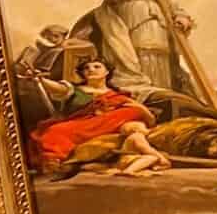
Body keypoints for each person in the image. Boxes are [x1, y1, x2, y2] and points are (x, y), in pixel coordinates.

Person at [73, 0, 205, 99]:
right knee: (140, 59)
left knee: (160, 58)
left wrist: (181, 16)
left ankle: (163, 98)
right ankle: (147, 100)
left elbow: (170, 5)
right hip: (131, 30)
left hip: (158, 29)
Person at [27, 57, 174, 175]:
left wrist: (141, 112)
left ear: (107, 72)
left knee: (132, 115)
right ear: (82, 73)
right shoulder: (74, 90)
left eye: (97, 66)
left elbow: (142, 113)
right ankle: (55, 162)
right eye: (87, 68)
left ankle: (155, 158)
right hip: (82, 124)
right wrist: (41, 80)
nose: (91, 70)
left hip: (112, 123)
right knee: (54, 131)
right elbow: (58, 88)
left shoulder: (118, 94)